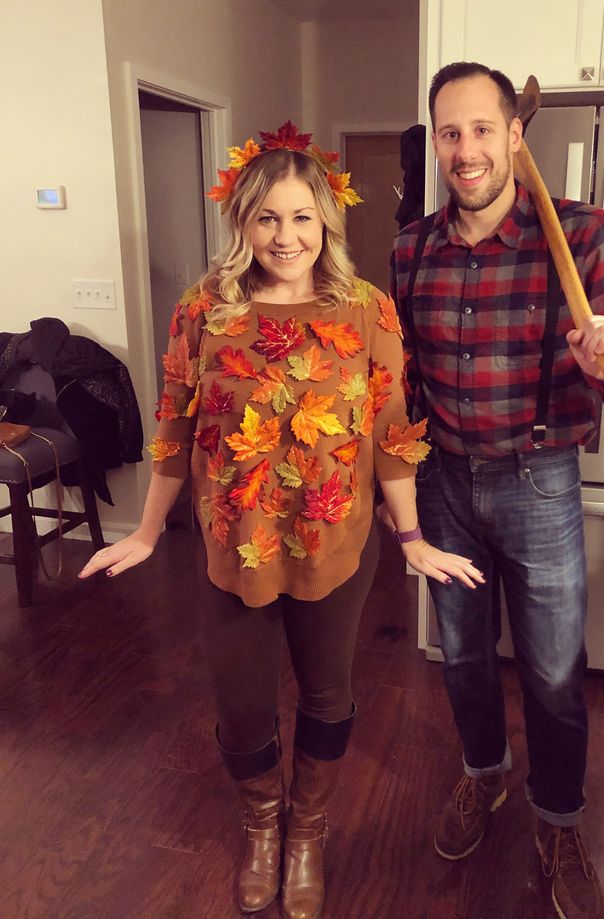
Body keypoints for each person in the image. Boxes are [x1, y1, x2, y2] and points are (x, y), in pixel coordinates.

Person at [79, 123, 484, 919]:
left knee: (329, 694)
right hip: (234, 545)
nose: (285, 235)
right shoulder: (206, 308)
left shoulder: (366, 309)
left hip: (337, 544)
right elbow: (173, 422)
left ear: (327, 221)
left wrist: (412, 538)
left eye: (302, 217)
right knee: (240, 703)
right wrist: (147, 530)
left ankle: (307, 833)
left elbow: (391, 431)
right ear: (242, 223)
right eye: (267, 218)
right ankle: (263, 826)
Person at [390, 64, 604, 919]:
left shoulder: (582, 235)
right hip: (441, 484)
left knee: (551, 671)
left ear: (515, 134)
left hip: (539, 483)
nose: (465, 150)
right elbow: (398, 385)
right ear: (435, 142)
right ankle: (485, 777)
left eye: (481, 130)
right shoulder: (411, 249)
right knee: (463, 657)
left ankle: (559, 815)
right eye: (449, 133)